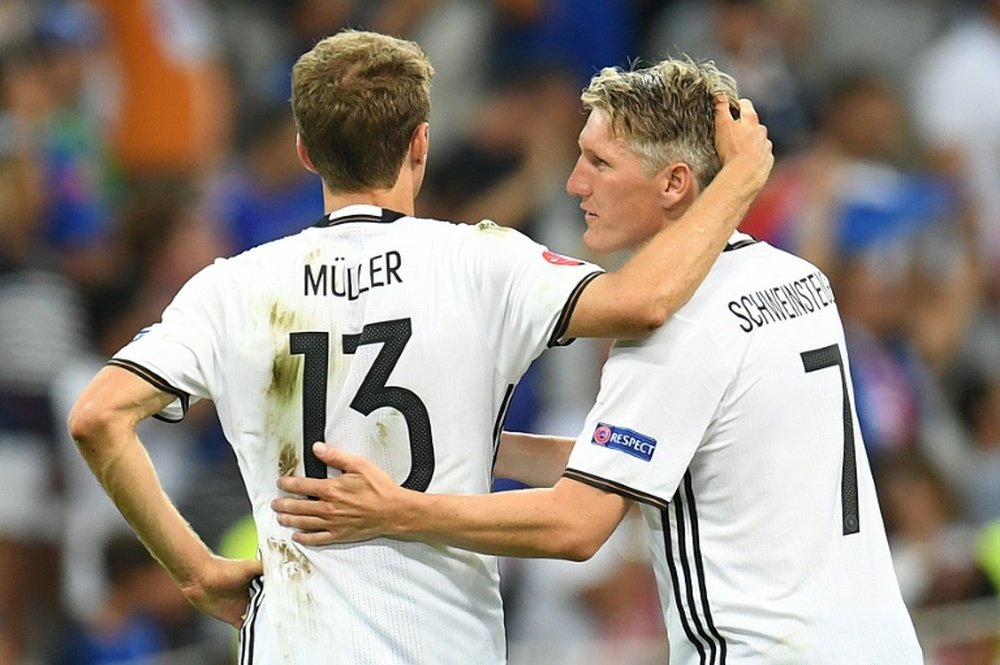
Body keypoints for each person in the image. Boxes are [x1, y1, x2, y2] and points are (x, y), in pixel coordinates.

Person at [67, 30, 772, 664]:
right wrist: (737, 180)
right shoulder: (481, 262)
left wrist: (192, 568)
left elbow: (97, 417)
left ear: (307, 152)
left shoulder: (230, 287)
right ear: (420, 144)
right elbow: (644, 300)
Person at [272, 56, 924, 663]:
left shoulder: (675, 327)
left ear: (674, 183)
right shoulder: (795, 279)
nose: (573, 182)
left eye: (599, 163)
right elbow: (668, 459)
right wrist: (479, 442)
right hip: (882, 642)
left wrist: (393, 509)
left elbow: (577, 524)